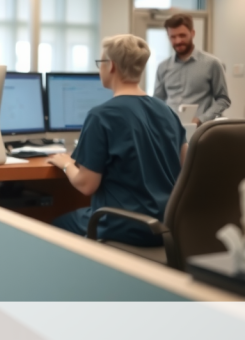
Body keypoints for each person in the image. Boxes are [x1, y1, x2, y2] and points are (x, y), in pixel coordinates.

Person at [48, 34, 188, 246]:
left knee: (54, 224)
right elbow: (186, 168)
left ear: (111, 65)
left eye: (100, 62)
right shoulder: (167, 111)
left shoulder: (101, 115)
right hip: (167, 225)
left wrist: (66, 164)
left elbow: (86, 185)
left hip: (125, 225)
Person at [154, 13, 230, 125]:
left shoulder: (213, 64)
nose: (178, 41)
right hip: (170, 129)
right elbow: (157, 101)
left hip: (201, 130)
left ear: (192, 33)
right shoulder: (163, 67)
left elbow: (223, 100)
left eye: (182, 35)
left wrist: (201, 119)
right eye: (173, 37)